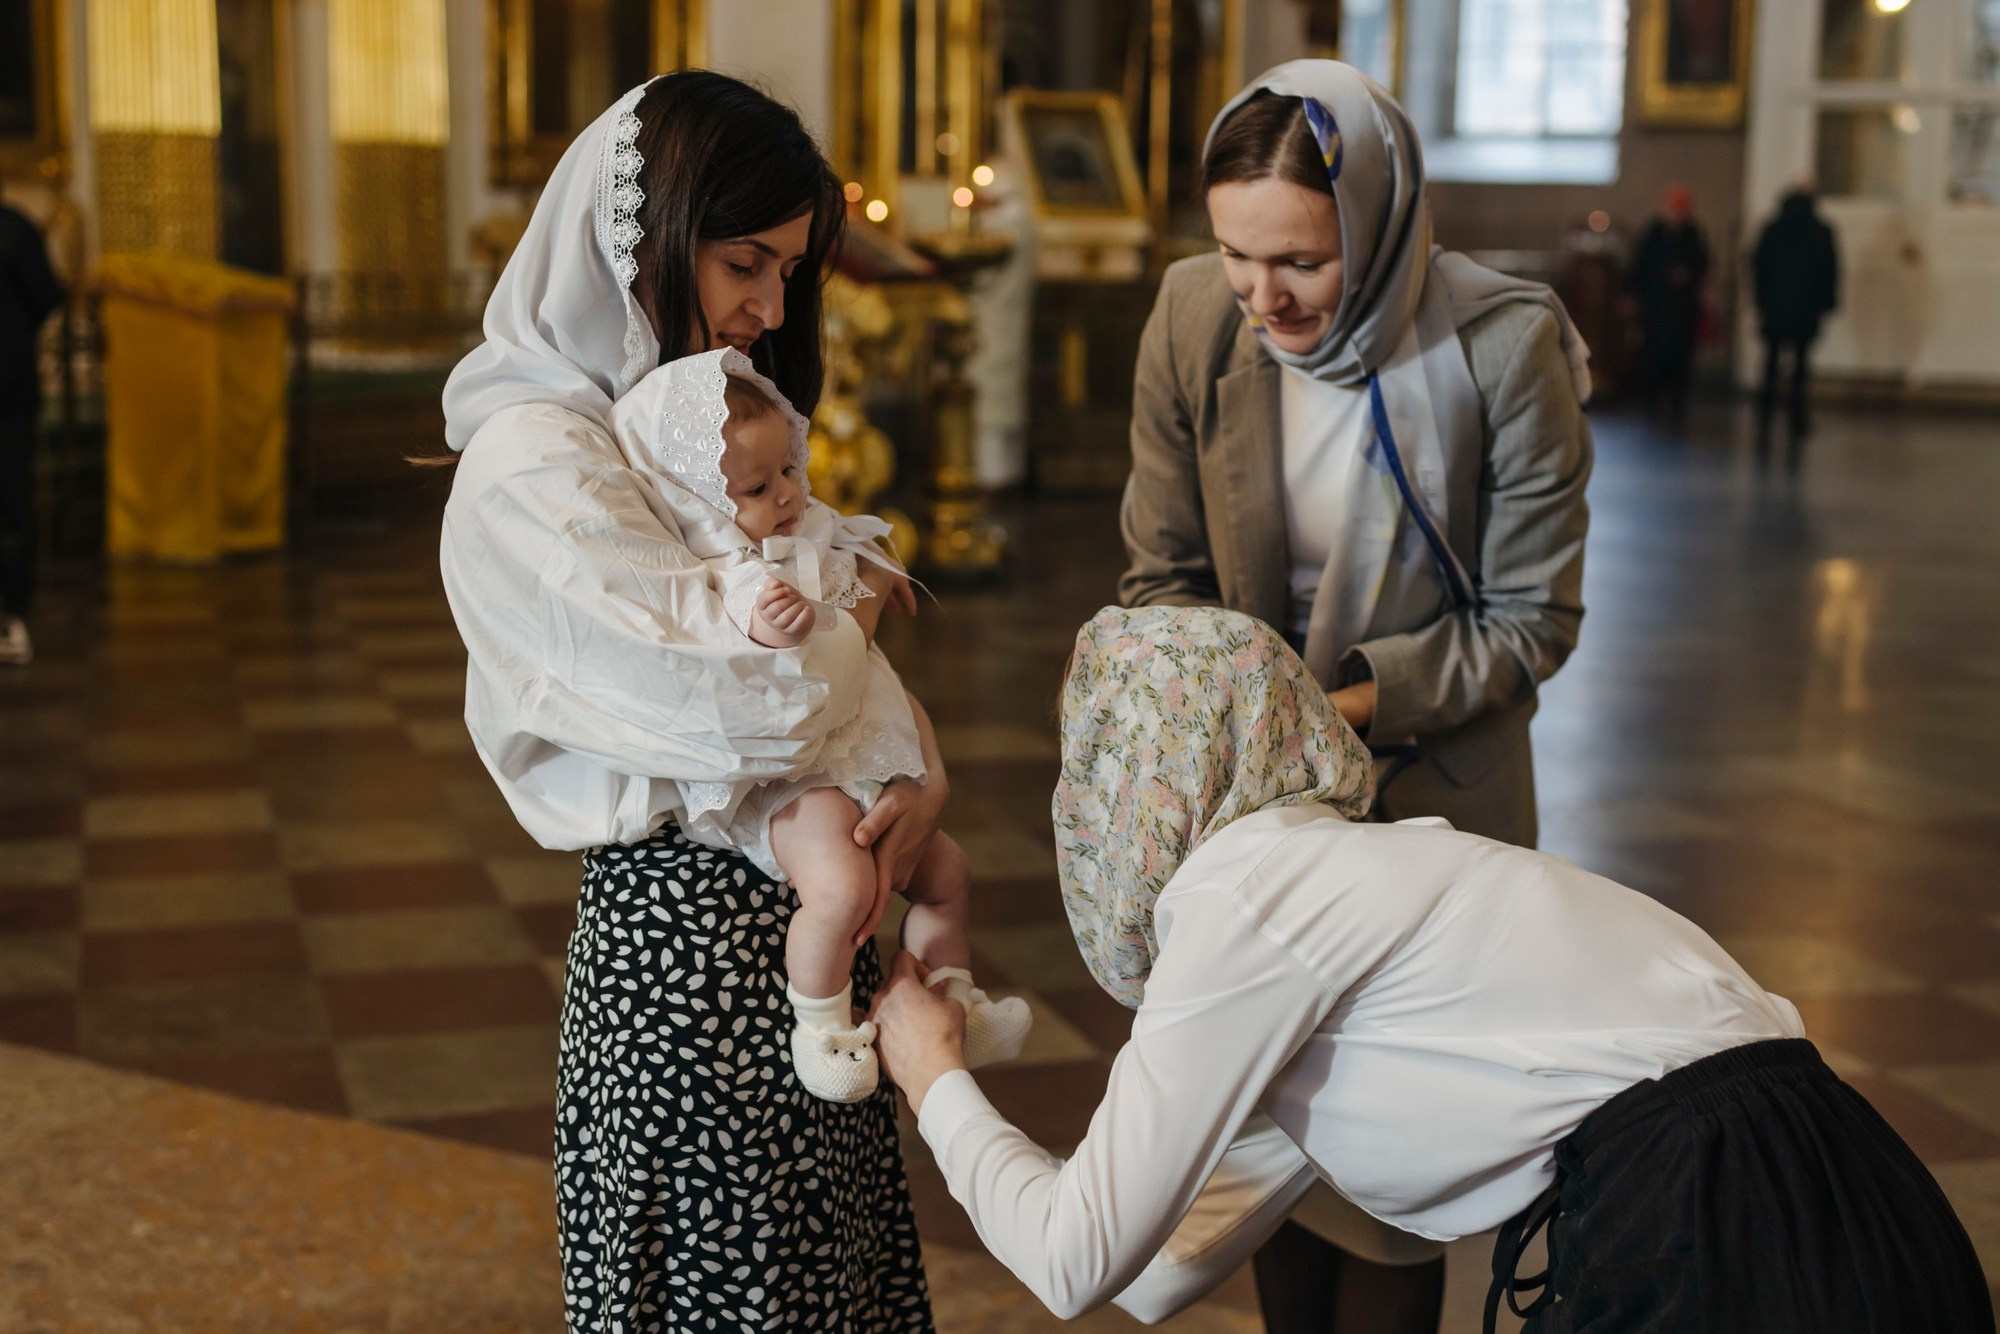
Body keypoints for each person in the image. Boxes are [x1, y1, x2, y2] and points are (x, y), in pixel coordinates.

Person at [870, 604, 1996, 1334]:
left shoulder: (1247, 892)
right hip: (1839, 1183)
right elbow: (1152, 1270)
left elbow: (1071, 1258)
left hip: (1716, 1210)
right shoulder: (1335, 897)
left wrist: (935, 1080)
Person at [438, 72, 936, 1330]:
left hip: (804, 922)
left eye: (788, 273)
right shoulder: (532, 459)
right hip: (684, 961)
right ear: (640, 241)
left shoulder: (683, 419)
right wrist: (857, 612)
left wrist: (903, 781)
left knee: (829, 1287)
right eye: (741, 264)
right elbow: (748, 703)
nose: (767, 311)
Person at [1118, 59, 1592, 1326]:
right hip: (1253, 815)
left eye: (1301, 262)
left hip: (1428, 804)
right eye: (1234, 253)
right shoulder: (1189, 317)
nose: (1261, 295)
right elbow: (1160, 577)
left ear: (1377, 223)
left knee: (1383, 1187)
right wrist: (1235, 718)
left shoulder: (1500, 344)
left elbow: (1531, 621)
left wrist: (1342, 711)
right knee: (1269, 1153)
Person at [606, 348, 1030, 1100]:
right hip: (799, 783)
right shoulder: (731, 570)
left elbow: (855, 546)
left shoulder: (804, 521)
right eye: (758, 487)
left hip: (863, 754)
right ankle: (824, 1025)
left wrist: (878, 560)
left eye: (790, 470)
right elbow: (757, 659)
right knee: (838, 888)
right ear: (701, 499)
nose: (788, 494)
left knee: (948, 874)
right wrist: (778, 622)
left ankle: (954, 997)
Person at [0, 199, 63, 667]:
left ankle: (11, 614)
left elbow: (46, 296)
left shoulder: (16, 231)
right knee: (12, 500)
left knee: (12, 500)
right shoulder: (17, 229)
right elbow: (45, 297)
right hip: (11, 384)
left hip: (9, 390)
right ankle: (11, 612)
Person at [1752, 187, 1840, 461]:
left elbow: (1758, 266)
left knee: (1771, 361)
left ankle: (1766, 414)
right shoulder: (1820, 231)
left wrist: (1761, 301)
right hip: (1804, 309)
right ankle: (1796, 416)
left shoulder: (1773, 229)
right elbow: (1830, 270)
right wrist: (1827, 302)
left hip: (1777, 308)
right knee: (1801, 364)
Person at [1627, 184, 1710, 427]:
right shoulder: (1653, 232)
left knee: (1681, 360)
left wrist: (1687, 277)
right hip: (1656, 306)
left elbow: (1703, 265)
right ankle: (1651, 403)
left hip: (1683, 309)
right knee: (1653, 357)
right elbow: (1640, 267)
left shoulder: (1693, 234)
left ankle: (1677, 406)